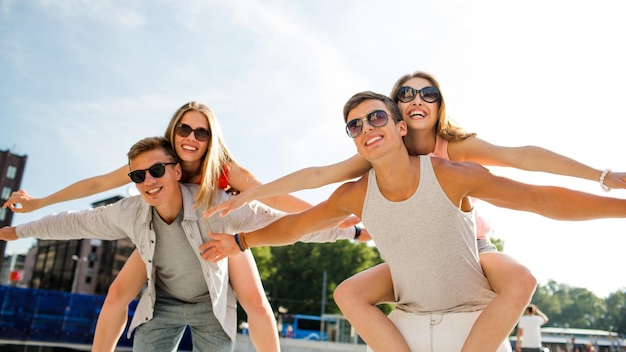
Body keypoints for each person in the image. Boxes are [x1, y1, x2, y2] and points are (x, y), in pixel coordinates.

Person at [204, 71, 626, 351]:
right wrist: (245, 223)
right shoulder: (367, 167)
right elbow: (310, 190)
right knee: (348, 292)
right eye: (405, 94)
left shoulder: (456, 157)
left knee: (520, 277)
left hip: (469, 249)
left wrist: (602, 178)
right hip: (408, 259)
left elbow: (529, 173)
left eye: (428, 93)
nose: (416, 99)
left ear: (414, 118)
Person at [2, 102, 361, 352]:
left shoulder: (224, 170)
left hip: (218, 231)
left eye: (201, 133)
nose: (191, 138)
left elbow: (275, 202)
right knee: (116, 294)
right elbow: (97, 187)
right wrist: (39, 203)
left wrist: (333, 216)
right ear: (173, 133)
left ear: (211, 138)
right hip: (161, 236)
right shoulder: (155, 160)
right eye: (184, 129)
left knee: (255, 301)